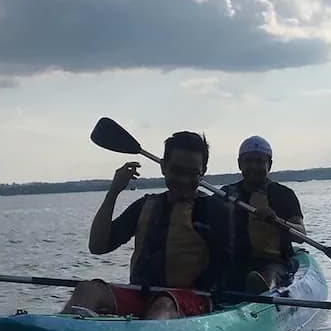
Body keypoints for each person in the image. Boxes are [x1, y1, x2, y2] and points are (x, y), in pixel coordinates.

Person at [62, 131, 230, 320]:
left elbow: (233, 265)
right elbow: (98, 246)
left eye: (192, 173)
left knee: (163, 304)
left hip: (193, 300)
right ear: (163, 167)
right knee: (87, 290)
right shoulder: (145, 206)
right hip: (140, 295)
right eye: (177, 170)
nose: (183, 179)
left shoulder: (215, 210)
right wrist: (114, 191)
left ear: (203, 170)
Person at [224, 135, 304, 293]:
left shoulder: (284, 194)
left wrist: (277, 221)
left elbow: (301, 235)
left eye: (259, 161)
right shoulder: (226, 194)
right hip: (236, 263)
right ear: (240, 164)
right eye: (248, 161)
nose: (253, 166)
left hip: (274, 262)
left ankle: (265, 289)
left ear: (270, 164)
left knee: (270, 273)